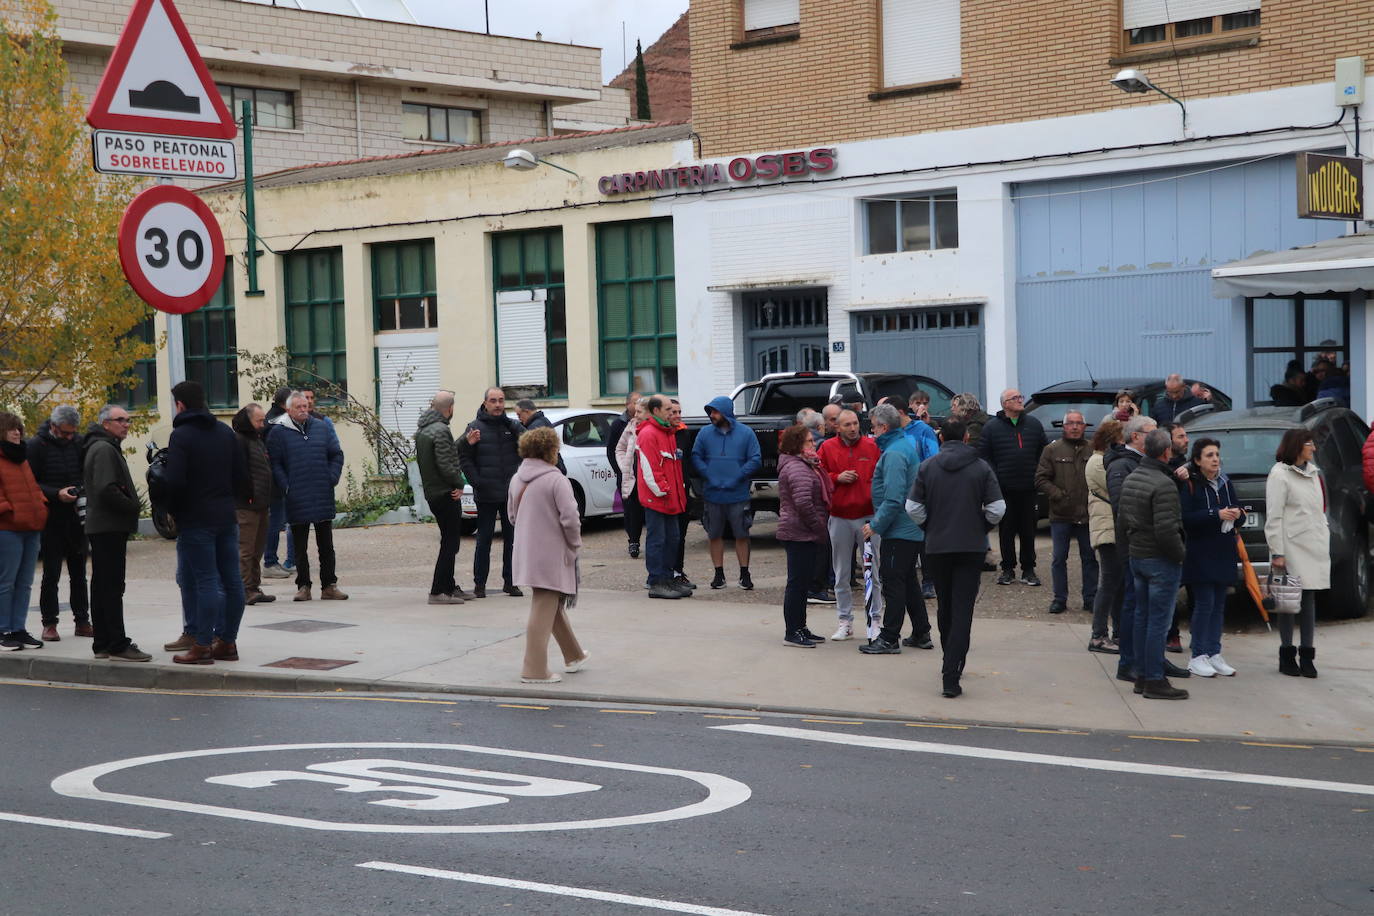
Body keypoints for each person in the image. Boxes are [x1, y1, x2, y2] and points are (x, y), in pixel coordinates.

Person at [906, 418, 1006, 697]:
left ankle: (947, 661)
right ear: (965, 438)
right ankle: (953, 671)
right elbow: (998, 508)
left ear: (940, 438)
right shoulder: (980, 467)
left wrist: (930, 526)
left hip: (938, 546)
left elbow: (912, 507)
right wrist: (981, 526)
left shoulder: (928, 467)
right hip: (971, 546)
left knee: (945, 605)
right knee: (963, 609)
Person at [164, 380, 248, 664]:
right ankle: (227, 641)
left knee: (206, 581)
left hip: (196, 518)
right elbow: (241, 477)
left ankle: (201, 646)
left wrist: (174, 511)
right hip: (226, 515)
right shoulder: (225, 433)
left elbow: (173, 480)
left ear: (180, 405)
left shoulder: (182, 436)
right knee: (233, 581)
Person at [508, 426, 588, 684]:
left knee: (549, 604)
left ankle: (573, 654)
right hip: (552, 553)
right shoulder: (556, 479)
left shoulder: (517, 478)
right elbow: (571, 519)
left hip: (526, 551)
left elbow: (511, 516)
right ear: (551, 450)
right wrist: (575, 544)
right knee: (544, 606)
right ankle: (534, 669)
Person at [1120, 428, 1189, 700]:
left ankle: (1141, 675)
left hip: (1138, 556)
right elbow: (1166, 530)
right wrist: (1181, 554)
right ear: (1166, 452)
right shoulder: (1163, 484)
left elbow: (1122, 520)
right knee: (1157, 623)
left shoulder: (1134, 476)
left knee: (1143, 618)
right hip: (1159, 560)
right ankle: (1154, 679)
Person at [859, 403, 931, 654]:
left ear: (884, 427)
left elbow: (893, 498)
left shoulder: (894, 454)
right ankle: (922, 632)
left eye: (874, 426)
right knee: (908, 580)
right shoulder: (900, 447)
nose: (872, 431)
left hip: (900, 530)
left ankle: (889, 637)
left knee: (894, 583)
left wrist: (875, 525)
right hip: (907, 529)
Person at [81, 404, 150, 660]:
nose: (126, 424)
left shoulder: (104, 446)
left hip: (106, 526)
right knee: (110, 586)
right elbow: (106, 489)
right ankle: (117, 643)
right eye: (120, 420)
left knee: (103, 586)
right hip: (108, 526)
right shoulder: (103, 449)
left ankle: (103, 643)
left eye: (128, 420)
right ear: (105, 424)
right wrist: (132, 505)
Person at [268, 390, 347, 603]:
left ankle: (329, 585)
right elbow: (275, 463)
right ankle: (304, 586)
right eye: (299, 407)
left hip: (322, 491)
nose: (304, 410)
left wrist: (331, 477)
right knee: (299, 546)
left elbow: (336, 454)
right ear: (288, 409)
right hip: (296, 495)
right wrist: (286, 486)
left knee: (326, 545)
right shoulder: (278, 432)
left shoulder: (321, 427)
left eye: (306, 406)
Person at [1265, 428, 1329, 678]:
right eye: (1309, 444)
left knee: (1310, 598)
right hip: (1291, 547)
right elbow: (1274, 516)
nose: (1313, 448)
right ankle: (1286, 654)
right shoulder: (1279, 474)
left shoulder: (1313, 473)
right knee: (1287, 601)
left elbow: (1317, 510)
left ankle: (1308, 654)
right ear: (1297, 446)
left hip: (1312, 546)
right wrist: (1277, 552)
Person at [1179, 437, 1243, 678]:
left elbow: (1238, 510)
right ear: (1197, 460)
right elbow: (1186, 518)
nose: (1215, 459)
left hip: (1224, 549)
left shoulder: (1226, 482)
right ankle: (1198, 655)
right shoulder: (1191, 484)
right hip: (1201, 551)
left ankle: (1214, 652)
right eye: (1209, 455)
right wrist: (1215, 514)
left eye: (1216, 454)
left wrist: (1237, 514)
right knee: (1204, 603)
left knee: (1219, 604)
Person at [26, 405, 89, 642]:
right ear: (53, 426)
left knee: (79, 573)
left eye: (72, 432)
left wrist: (79, 491)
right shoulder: (35, 446)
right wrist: (56, 494)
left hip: (76, 515)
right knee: (51, 573)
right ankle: (49, 623)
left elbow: (85, 473)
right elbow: (30, 483)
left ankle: (82, 621)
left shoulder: (78, 443)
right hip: (51, 517)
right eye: (64, 433)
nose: (69, 437)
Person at [818, 408, 882, 641]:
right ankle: (845, 621)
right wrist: (837, 477)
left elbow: (880, 476)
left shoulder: (871, 447)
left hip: (868, 518)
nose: (853, 428)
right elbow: (820, 475)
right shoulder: (827, 448)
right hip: (840, 517)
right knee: (841, 572)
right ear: (837, 427)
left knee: (871, 571)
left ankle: (875, 620)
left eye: (855, 423)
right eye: (848, 425)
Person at [457, 387, 526, 598]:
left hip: (509, 494)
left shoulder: (512, 426)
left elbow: (528, 450)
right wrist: (477, 482)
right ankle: (480, 585)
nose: (498, 405)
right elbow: (463, 457)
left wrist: (519, 480)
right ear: (485, 403)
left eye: (501, 400)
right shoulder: (474, 428)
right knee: (484, 540)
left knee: (512, 540)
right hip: (486, 494)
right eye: (493, 401)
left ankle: (511, 582)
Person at [690, 396, 761, 591]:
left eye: (715, 411)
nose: (712, 415)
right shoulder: (704, 433)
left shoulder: (746, 433)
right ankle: (718, 574)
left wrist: (737, 476)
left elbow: (755, 459)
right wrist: (708, 475)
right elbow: (696, 456)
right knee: (714, 534)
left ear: (725, 411)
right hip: (713, 494)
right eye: (710, 412)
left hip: (738, 494)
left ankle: (744, 574)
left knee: (742, 534)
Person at [978, 387, 1047, 586]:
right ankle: (1007, 569)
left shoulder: (1033, 424)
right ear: (1005, 404)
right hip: (1003, 489)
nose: (1020, 400)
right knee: (1006, 530)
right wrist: (995, 478)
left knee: (1028, 530)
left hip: (1028, 488)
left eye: (1020, 396)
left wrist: (1037, 473)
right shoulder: (991, 428)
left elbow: (1043, 452)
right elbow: (984, 456)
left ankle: (1029, 569)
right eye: (1015, 398)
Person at [775, 423, 833, 647]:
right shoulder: (797, 467)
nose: (814, 443)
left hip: (803, 531)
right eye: (809, 441)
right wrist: (819, 527)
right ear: (797, 444)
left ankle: (801, 626)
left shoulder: (804, 464)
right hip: (799, 532)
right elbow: (803, 503)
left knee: (802, 583)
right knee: (797, 584)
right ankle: (792, 631)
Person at [1035, 410, 1098, 614]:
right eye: (1070, 423)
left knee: (1089, 558)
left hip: (1086, 514)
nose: (1074, 427)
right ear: (1063, 426)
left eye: (1078, 423)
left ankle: (1090, 598)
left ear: (1084, 426)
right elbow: (1041, 479)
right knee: (1059, 558)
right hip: (1061, 513)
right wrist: (1057, 495)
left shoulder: (1093, 449)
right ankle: (1059, 599)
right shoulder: (1051, 450)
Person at [0, 412, 48, 652]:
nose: (17, 432)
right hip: (7, 529)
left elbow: (33, 488)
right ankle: (3, 630)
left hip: (31, 528)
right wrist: (10, 512)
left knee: (25, 582)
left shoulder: (22, 458)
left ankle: (18, 628)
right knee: (6, 582)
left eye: (18, 428)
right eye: (11, 428)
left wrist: (40, 506)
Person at [415, 390, 468, 605]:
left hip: (432, 492)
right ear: (450, 408)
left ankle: (448, 586)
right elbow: (446, 465)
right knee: (450, 542)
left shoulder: (424, 430)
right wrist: (459, 483)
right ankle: (438, 591)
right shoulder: (441, 430)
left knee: (449, 539)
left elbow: (442, 456)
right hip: (445, 493)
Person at [636, 395, 688, 599]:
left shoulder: (668, 432)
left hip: (669, 498)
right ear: (656, 411)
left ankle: (668, 578)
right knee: (658, 540)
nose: (671, 412)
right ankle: (657, 581)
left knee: (672, 538)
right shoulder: (649, 434)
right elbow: (649, 468)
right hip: (658, 498)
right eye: (667, 409)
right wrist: (663, 491)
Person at [231, 403, 276, 607]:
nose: (263, 423)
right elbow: (238, 473)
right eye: (259, 420)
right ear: (248, 420)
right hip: (246, 506)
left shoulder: (257, 439)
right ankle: (243, 589)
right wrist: (247, 495)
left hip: (261, 503)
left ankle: (254, 587)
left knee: (258, 549)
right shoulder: (239, 440)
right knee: (246, 550)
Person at [1084, 419, 1123, 653]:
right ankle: (1098, 635)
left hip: (1113, 528)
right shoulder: (1097, 462)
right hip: (1106, 530)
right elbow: (1115, 488)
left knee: (1118, 584)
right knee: (1108, 583)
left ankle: (1118, 632)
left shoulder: (1106, 460)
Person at [262, 386, 296, 580]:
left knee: (277, 521)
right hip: (276, 482)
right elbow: (279, 454)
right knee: (275, 522)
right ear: (285, 404)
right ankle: (270, 562)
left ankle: (273, 561)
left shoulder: (272, 418)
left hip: (274, 479)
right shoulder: (277, 422)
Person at [606, 391, 643, 558]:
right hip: (626, 474)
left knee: (645, 510)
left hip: (643, 474)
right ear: (627, 404)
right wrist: (621, 471)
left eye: (640, 403)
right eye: (635, 402)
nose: (637, 406)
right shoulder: (618, 425)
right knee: (630, 510)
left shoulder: (644, 423)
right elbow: (612, 451)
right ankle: (633, 541)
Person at [614, 396, 647, 559]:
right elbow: (618, 449)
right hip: (633, 476)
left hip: (648, 478)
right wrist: (624, 467)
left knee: (649, 513)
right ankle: (633, 541)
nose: (636, 414)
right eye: (636, 410)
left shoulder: (652, 430)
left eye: (640, 411)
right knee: (632, 512)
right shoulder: (629, 426)